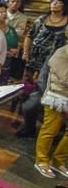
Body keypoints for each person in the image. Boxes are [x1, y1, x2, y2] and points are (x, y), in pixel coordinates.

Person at [33, 44, 68, 179]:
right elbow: (64, 78)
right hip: (57, 97)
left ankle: (59, 161)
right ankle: (41, 161)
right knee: (50, 130)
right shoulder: (62, 52)